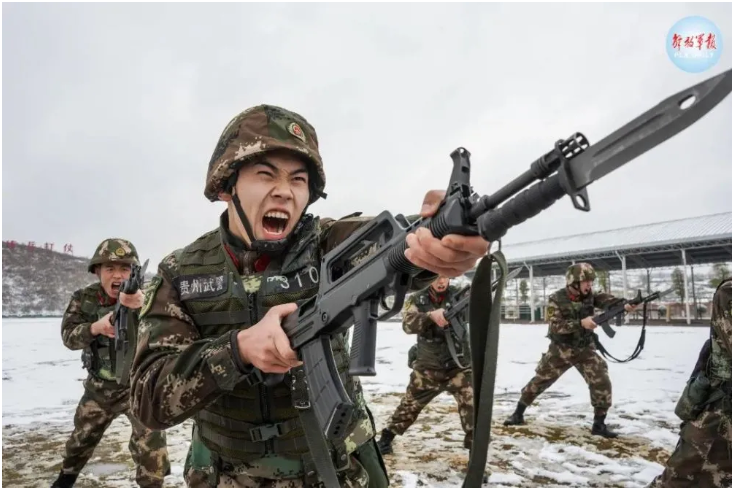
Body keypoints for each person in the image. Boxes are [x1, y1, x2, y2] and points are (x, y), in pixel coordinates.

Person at [128, 104, 490, 487]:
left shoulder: (328, 247)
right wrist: (237, 351)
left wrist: (434, 237)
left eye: (298, 180)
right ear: (225, 186)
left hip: (338, 470)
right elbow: (148, 401)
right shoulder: (182, 272)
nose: (284, 191)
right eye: (265, 174)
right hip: (226, 475)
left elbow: (392, 248)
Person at [51, 238, 170, 488]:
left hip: (138, 387)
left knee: (152, 447)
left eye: (125, 269)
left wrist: (144, 306)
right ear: (97, 271)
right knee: (80, 441)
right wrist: (95, 328)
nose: (117, 275)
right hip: (99, 388)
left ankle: (152, 484)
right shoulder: (84, 299)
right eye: (110, 268)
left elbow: (170, 331)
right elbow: (68, 338)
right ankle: (65, 480)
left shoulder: (149, 297)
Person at [504, 262, 635, 438]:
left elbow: (607, 301)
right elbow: (555, 326)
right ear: (574, 282)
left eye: (590, 281)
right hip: (560, 350)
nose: (589, 285)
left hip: (584, 349)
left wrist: (625, 304)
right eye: (585, 281)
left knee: (601, 381)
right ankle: (518, 413)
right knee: (540, 381)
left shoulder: (590, 296)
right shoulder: (556, 299)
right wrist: (581, 323)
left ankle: (599, 425)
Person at [648, 277, 731, 488]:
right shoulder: (729, 292)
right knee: (681, 479)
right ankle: (598, 422)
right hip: (722, 411)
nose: (589, 287)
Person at [376, 275, 474, 454]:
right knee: (409, 406)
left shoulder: (459, 295)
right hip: (428, 369)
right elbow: (407, 324)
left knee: (473, 407)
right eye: (436, 277)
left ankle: (475, 452)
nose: (441, 281)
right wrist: (430, 316)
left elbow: (478, 314)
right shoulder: (417, 298)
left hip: (458, 367)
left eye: (445, 277)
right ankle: (386, 438)